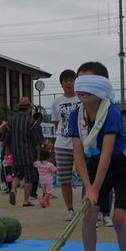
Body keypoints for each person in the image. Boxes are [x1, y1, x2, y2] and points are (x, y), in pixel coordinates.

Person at [68, 61, 126, 251]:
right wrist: (89, 187)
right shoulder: (75, 115)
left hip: (120, 165)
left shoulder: (112, 112)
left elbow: (107, 154)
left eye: (89, 80)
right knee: (88, 216)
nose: (82, 87)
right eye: (80, 80)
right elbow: (78, 153)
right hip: (94, 165)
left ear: (102, 86)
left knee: (118, 218)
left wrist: (94, 188)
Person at [51, 69, 80, 220]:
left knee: (88, 176)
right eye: (65, 81)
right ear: (61, 84)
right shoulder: (57, 102)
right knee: (64, 179)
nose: (69, 83)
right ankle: (70, 209)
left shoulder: (82, 98)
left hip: (81, 143)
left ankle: (93, 207)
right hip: (62, 143)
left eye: (71, 80)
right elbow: (56, 123)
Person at [4, 97, 44, 207]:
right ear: (29, 109)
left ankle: (13, 189)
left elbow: (6, 138)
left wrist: (7, 150)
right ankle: (26, 201)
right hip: (28, 154)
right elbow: (37, 142)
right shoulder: (31, 122)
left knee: (17, 174)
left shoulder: (11, 121)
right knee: (29, 177)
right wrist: (39, 155)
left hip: (16, 153)